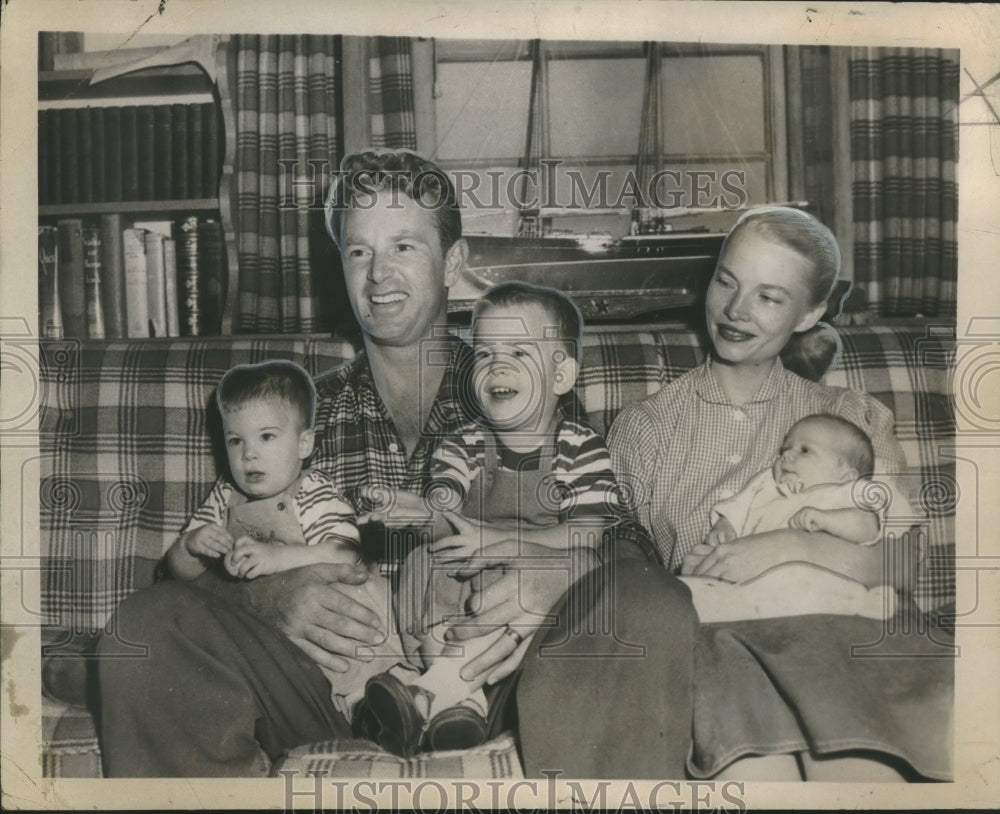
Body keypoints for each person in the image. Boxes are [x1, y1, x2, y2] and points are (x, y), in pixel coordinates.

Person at [97, 148, 697, 779]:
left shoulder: (520, 385)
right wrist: (261, 599)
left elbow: (627, 546)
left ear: (454, 265)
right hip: (326, 696)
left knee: (646, 601)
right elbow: (187, 582)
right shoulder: (300, 415)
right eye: (360, 252)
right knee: (147, 625)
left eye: (405, 246)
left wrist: (566, 574)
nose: (379, 275)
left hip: (503, 687)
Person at [608, 206, 953, 781]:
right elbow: (628, 571)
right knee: (756, 773)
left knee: (859, 774)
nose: (736, 310)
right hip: (717, 649)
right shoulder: (645, 427)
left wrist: (787, 548)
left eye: (769, 297)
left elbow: (899, 563)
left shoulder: (849, 418)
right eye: (727, 280)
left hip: (844, 637)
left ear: (810, 312)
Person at [358, 281, 630, 757]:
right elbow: (445, 511)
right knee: (424, 560)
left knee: (558, 574)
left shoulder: (580, 447)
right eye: (484, 354)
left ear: (561, 375)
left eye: (520, 352)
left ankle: (436, 695)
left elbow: (587, 533)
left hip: (535, 581)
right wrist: (414, 510)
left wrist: (499, 540)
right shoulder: (461, 444)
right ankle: (450, 699)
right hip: (464, 576)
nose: (497, 365)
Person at [166, 360, 399, 720]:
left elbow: (347, 554)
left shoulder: (313, 490)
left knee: (367, 600)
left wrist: (277, 559)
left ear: (304, 443)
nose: (248, 454)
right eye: (235, 440)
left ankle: (373, 700)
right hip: (267, 639)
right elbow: (178, 574)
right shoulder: (224, 496)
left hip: (331, 624)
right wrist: (190, 545)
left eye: (267, 436)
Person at [679, 413, 906, 623]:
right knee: (698, 588)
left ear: (846, 475)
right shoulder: (766, 485)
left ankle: (864, 602)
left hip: (815, 586)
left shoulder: (847, 491)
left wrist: (826, 520)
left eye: (805, 450)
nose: (786, 455)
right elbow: (737, 507)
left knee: (824, 593)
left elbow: (867, 526)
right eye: (785, 449)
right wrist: (725, 526)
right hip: (752, 585)